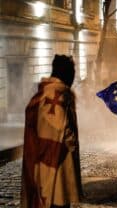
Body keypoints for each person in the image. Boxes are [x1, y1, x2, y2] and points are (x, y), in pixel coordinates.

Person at [21, 55, 82, 208]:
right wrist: (73, 145)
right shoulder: (56, 94)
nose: (73, 76)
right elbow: (62, 127)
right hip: (55, 161)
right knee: (55, 200)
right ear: (66, 73)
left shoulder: (45, 92)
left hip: (43, 159)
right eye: (72, 71)